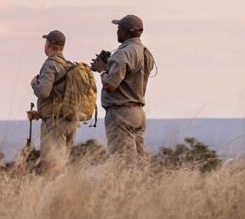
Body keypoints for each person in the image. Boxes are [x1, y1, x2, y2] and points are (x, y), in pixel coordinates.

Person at [90, 14, 155, 159]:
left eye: (118, 28)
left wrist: (102, 71)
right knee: (139, 163)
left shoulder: (123, 53)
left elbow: (110, 86)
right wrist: (109, 68)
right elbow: (130, 77)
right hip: (138, 113)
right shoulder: (146, 53)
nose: (117, 31)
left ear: (125, 31)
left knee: (122, 164)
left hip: (121, 113)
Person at [27, 30, 80, 177]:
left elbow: (43, 92)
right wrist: (39, 114)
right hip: (70, 121)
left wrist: (34, 84)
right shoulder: (68, 65)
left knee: (52, 167)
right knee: (61, 166)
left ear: (49, 44)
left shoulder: (50, 65)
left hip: (55, 124)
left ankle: (54, 198)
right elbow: (60, 97)